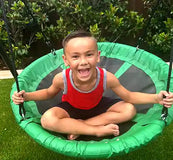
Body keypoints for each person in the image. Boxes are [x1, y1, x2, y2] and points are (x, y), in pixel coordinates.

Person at [12, 30, 173, 140]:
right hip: (70, 108)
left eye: (89, 55)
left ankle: (79, 127)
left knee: (129, 109)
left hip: (98, 107)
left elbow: (129, 96)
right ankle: (94, 130)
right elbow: (48, 93)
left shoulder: (106, 77)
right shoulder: (62, 79)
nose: (83, 62)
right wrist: (26, 96)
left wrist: (156, 98)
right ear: (65, 60)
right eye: (75, 57)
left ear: (97, 56)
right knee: (47, 119)